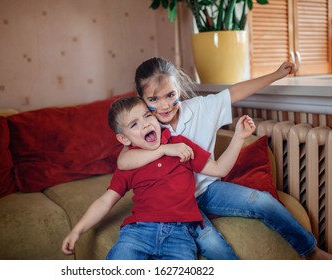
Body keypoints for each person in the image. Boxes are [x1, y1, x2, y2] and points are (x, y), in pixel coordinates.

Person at [117, 57, 332, 260]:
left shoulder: (201, 108)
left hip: (209, 189)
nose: (164, 106)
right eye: (154, 99)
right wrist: (164, 150)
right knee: (211, 243)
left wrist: (276, 74)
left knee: (262, 201)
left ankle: (310, 251)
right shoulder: (145, 126)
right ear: (142, 100)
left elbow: (236, 92)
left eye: (170, 95)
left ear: (179, 89)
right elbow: (123, 160)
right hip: (175, 203)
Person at [61, 96, 256, 260]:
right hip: (138, 232)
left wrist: (238, 137)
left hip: (180, 235)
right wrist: (77, 230)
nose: (145, 123)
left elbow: (220, 169)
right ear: (124, 139)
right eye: (134, 124)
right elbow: (105, 200)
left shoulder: (180, 145)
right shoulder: (130, 162)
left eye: (147, 115)